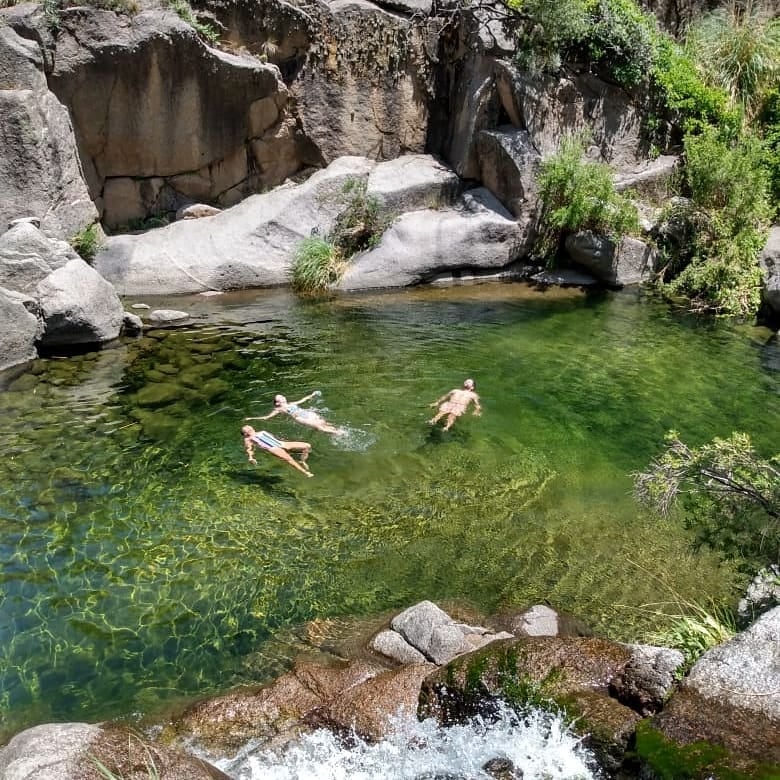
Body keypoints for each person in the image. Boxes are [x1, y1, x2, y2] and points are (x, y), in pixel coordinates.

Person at [246, 390, 344, 435]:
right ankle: (337, 433)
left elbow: (302, 400)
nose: (283, 397)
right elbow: (266, 417)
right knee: (319, 427)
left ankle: (336, 429)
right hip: (300, 418)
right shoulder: (279, 409)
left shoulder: (291, 403)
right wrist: (251, 418)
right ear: (277, 403)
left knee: (324, 423)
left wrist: (312, 395)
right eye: (280, 397)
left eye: (282, 396)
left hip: (307, 412)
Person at [241, 425, 313, 477]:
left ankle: (303, 460)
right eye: (247, 429)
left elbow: (274, 438)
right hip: (273, 448)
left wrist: (285, 443)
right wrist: (250, 457)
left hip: (281, 443)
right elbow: (249, 449)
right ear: (245, 433)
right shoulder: (248, 439)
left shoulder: (262, 431)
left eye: (249, 427)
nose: (249, 428)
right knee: (289, 459)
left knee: (307, 445)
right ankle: (305, 472)